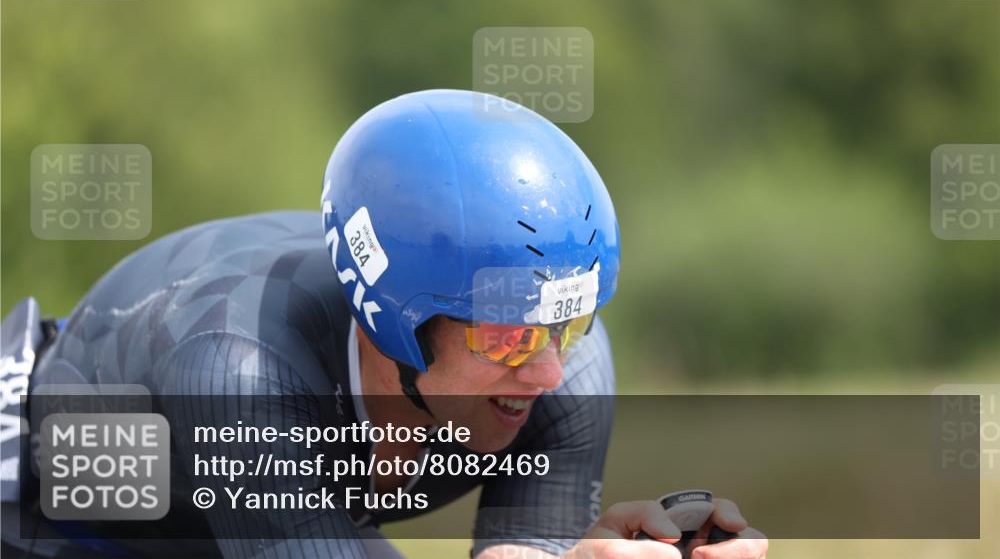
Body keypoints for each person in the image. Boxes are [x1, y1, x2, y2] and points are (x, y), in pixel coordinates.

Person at [2, 90, 766, 559]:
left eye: (569, 324)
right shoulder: (234, 367)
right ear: (392, 322)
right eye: (508, 337)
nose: (548, 371)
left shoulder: (569, 366)